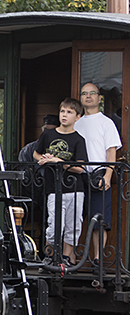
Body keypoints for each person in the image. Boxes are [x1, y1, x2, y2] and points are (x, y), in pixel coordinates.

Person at [34, 98, 89, 264]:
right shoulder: (48, 134)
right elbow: (36, 153)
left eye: (69, 112)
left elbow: (80, 168)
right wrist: (44, 158)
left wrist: (58, 161)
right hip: (53, 187)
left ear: (77, 117)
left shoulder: (79, 139)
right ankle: (50, 257)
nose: (64, 115)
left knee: (73, 225)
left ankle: (66, 258)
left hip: (75, 189)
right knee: (54, 224)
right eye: (62, 111)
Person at [75, 81, 123, 256]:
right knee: (74, 218)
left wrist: (108, 175)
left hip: (98, 175)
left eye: (92, 93)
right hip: (77, 175)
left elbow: (111, 152)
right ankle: (70, 259)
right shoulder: (76, 122)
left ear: (99, 98)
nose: (88, 96)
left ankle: (97, 260)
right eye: (84, 93)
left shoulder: (106, 122)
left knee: (99, 220)